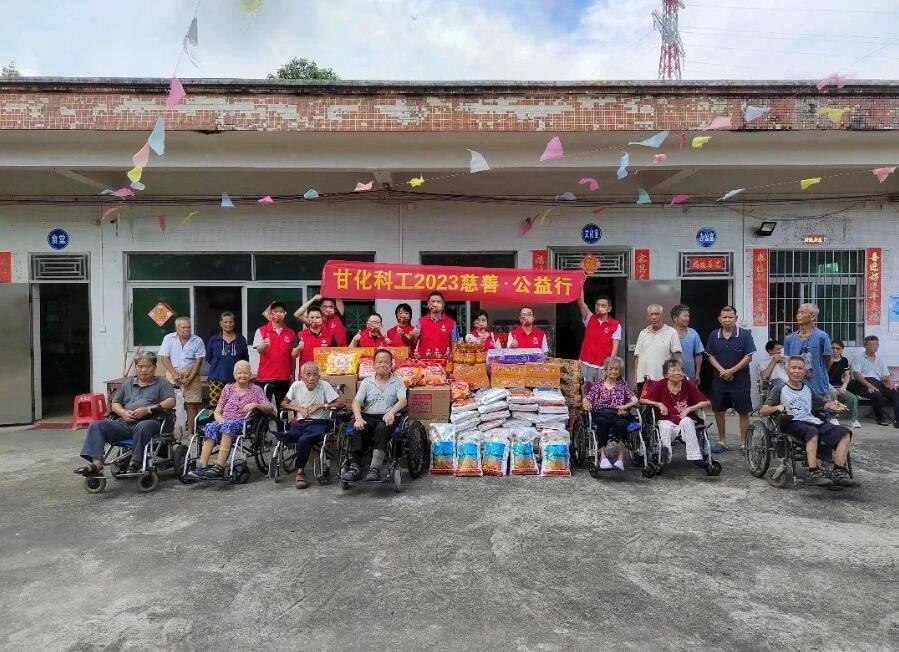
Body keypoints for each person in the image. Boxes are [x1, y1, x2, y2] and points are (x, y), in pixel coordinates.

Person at [74, 353, 176, 478]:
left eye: (147, 366)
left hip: (151, 422)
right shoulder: (128, 384)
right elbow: (115, 403)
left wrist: (148, 409)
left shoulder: (162, 383)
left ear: (154, 367)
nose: (143, 370)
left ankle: (136, 462)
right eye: (140, 366)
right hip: (126, 423)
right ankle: (97, 464)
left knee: (143, 426)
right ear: (136, 368)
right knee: (96, 425)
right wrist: (123, 413)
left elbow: (171, 401)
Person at [759, 356, 855, 488]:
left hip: (811, 421)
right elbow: (763, 411)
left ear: (804, 371)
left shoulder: (808, 389)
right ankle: (813, 472)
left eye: (800, 368)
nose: (796, 371)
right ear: (786, 370)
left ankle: (838, 472)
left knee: (844, 432)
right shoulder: (779, 389)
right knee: (812, 431)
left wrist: (833, 405)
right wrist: (777, 407)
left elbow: (822, 404)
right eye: (793, 368)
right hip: (791, 422)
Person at [187, 360, 273, 480]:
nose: (242, 375)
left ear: (250, 374)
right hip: (224, 420)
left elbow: (269, 408)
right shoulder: (228, 388)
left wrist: (256, 405)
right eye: (239, 373)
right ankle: (202, 466)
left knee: (228, 426)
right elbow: (217, 411)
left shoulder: (256, 390)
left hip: (243, 423)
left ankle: (219, 467)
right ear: (234, 374)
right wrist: (220, 420)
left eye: (245, 373)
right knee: (211, 426)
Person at [341, 349, 408, 482]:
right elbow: (356, 402)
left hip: (387, 416)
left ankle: (375, 468)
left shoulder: (397, 382)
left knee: (382, 428)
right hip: (369, 415)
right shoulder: (367, 382)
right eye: (379, 362)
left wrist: (391, 412)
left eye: (386, 362)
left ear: (391, 364)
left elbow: (403, 400)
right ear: (374, 364)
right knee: (358, 427)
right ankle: (355, 467)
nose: (382, 365)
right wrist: (358, 418)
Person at [279, 361, 342, 489]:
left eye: (314, 375)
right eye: (308, 374)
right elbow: (284, 403)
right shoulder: (296, 386)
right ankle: (288, 436)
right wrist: (299, 408)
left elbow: (340, 403)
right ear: (301, 377)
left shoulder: (324, 385)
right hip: (302, 422)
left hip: (320, 422)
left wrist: (321, 406)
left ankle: (300, 472)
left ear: (319, 377)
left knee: (304, 439)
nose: (311, 378)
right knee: (295, 433)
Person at [705, 306, 756, 453]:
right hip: (720, 382)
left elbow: (749, 357)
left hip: (741, 382)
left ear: (736, 318)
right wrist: (722, 371)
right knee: (719, 411)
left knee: (743, 412)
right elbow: (710, 356)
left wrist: (732, 371)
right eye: (724, 317)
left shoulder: (745, 334)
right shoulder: (714, 335)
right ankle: (722, 441)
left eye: (730, 317)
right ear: (719, 319)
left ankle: (744, 443)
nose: (727, 320)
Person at [641, 359, 711, 464]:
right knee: (664, 427)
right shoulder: (661, 385)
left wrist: (689, 409)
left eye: (679, 370)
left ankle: (695, 457)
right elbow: (642, 400)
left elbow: (706, 402)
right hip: (667, 420)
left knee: (687, 421)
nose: (677, 372)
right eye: (673, 370)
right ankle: (665, 457)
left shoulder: (687, 385)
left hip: (684, 420)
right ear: (666, 375)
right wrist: (659, 404)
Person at [582, 356, 638, 471]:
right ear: (606, 370)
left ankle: (620, 459)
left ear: (619, 371)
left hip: (617, 413)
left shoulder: (622, 385)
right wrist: (586, 403)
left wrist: (624, 406)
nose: (613, 371)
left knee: (622, 424)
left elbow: (635, 400)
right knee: (602, 423)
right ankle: (603, 457)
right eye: (611, 369)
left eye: (616, 369)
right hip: (601, 413)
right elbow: (586, 398)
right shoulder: (598, 385)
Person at [158, 316, 205, 434]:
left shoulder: (197, 340)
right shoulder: (169, 338)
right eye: (183, 327)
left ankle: (191, 432)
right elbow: (164, 358)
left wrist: (190, 378)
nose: (186, 329)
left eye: (188, 327)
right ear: (177, 329)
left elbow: (198, 361)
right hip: (173, 371)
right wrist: (174, 374)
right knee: (169, 403)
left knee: (191, 404)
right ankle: (170, 431)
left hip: (192, 372)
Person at [254, 301, 301, 408]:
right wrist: (263, 345)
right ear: (270, 313)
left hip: (284, 378)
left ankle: (282, 420)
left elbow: (293, 357)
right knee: (263, 408)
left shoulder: (291, 333)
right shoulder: (261, 330)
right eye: (275, 311)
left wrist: (292, 376)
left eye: (281, 311)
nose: (278, 314)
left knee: (283, 409)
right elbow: (259, 350)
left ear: (285, 314)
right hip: (265, 377)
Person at [783, 303, 832, 400]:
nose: (798, 315)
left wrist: (820, 372)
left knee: (822, 408)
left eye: (802, 313)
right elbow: (788, 361)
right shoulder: (790, 339)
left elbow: (828, 360)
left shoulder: (822, 337)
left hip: (818, 386)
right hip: (796, 387)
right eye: (798, 313)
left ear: (813, 317)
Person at [849, 335, 899, 427]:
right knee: (877, 394)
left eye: (875, 345)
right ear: (865, 345)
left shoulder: (879, 359)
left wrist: (890, 381)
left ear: (878, 346)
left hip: (877, 383)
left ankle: (898, 421)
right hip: (862, 384)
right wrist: (869, 385)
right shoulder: (858, 357)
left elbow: (885, 376)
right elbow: (857, 375)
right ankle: (880, 419)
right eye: (870, 345)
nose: (872, 347)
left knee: (896, 393)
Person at [205, 311, 249, 407]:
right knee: (215, 406)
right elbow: (208, 358)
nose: (228, 324)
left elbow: (245, 360)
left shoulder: (240, 339)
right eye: (225, 322)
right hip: (216, 379)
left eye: (230, 322)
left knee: (235, 406)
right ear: (220, 323)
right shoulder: (214, 339)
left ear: (234, 323)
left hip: (236, 379)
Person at [577, 289, 622, 384]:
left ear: (609, 309)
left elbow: (615, 349)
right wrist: (580, 283)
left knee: (603, 392)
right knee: (586, 391)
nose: (599, 307)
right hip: (586, 364)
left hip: (603, 367)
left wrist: (610, 368)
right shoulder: (589, 318)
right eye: (597, 305)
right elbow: (581, 302)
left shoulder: (616, 325)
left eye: (603, 305)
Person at [633, 304, 682, 385]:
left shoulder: (671, 332)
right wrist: (636, 378)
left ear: (662, 315)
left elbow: (678, 357)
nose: (654, 317)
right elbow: (638, 358)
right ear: (648, 316)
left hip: (663, 379)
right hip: (643, 380)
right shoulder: (643, 333)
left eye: (657, 314)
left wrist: (678, 375)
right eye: (651, 314)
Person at [413, 291, 459, 358]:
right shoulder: (420, 321)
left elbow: (454, 343)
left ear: (443, 304)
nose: (435, 304)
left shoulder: (452, 323)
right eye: (433, 301)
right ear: (428, 304)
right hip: (424, 361)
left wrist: (452, 358)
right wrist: (413, 335)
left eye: (438, 302)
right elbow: (413, 341)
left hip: (444, 361)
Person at [828, 339, 861, 429]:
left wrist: (844, 387)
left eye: (838, 348)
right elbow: (822, 376)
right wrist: (829, 363)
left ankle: (854, 420)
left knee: (853, 398)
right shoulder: (825, 359)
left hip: (839, 386)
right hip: (827, 387)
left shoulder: (844, 360)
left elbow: (847, 375)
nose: (835, 350)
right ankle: (832, 417)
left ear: (842, 349)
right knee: (832, 393)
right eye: (833, 348)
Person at [671, 304, 704, 385]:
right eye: (685, 316)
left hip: (690, 377)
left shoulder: (693, 333)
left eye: (688, 316)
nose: (688, 319)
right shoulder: (668, 333)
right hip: (671, 376)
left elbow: (698, 355)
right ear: (675, 318)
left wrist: (697, 374)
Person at [295, 305, 333, 373]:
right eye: (312, 317)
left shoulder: (330, 335)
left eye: (317, 317)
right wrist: (298, 348)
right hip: (306, 375)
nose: (314, 320)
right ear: (308, 318)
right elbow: (293, 355)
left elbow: (335, 354)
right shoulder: (300, 335)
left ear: (322, 318)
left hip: (324, 374)